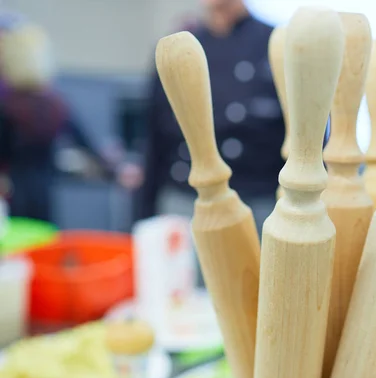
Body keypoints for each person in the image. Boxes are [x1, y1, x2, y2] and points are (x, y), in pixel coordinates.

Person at [139, 0, 285, 232]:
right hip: (183, 204)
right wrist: (141, 219)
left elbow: (309, 139)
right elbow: (155, 140)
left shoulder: (278, 44)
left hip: (263, 206)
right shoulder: (177, 49)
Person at [0, 22, 135, 222]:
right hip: (45, 195)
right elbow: (86, 142)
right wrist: (117, 170)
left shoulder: (7, 105)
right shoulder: (54, 103)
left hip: (12, 195)